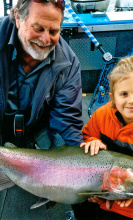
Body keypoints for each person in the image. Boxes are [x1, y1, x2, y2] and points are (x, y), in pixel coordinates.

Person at [0, 0, 83, 219]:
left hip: (36, 130)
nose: (46, 39)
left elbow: (66, 123)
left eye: (54, 31)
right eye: (38, 28)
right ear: (18, 18)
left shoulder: (69, 64)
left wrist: (76, 172)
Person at [72, 55, 133, 220]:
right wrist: (92, 141)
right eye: (124, 94)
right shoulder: (102, 115)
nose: (131, 100)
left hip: (131, 208)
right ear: (112, 98)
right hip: (96, 195)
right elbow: (86, 136)